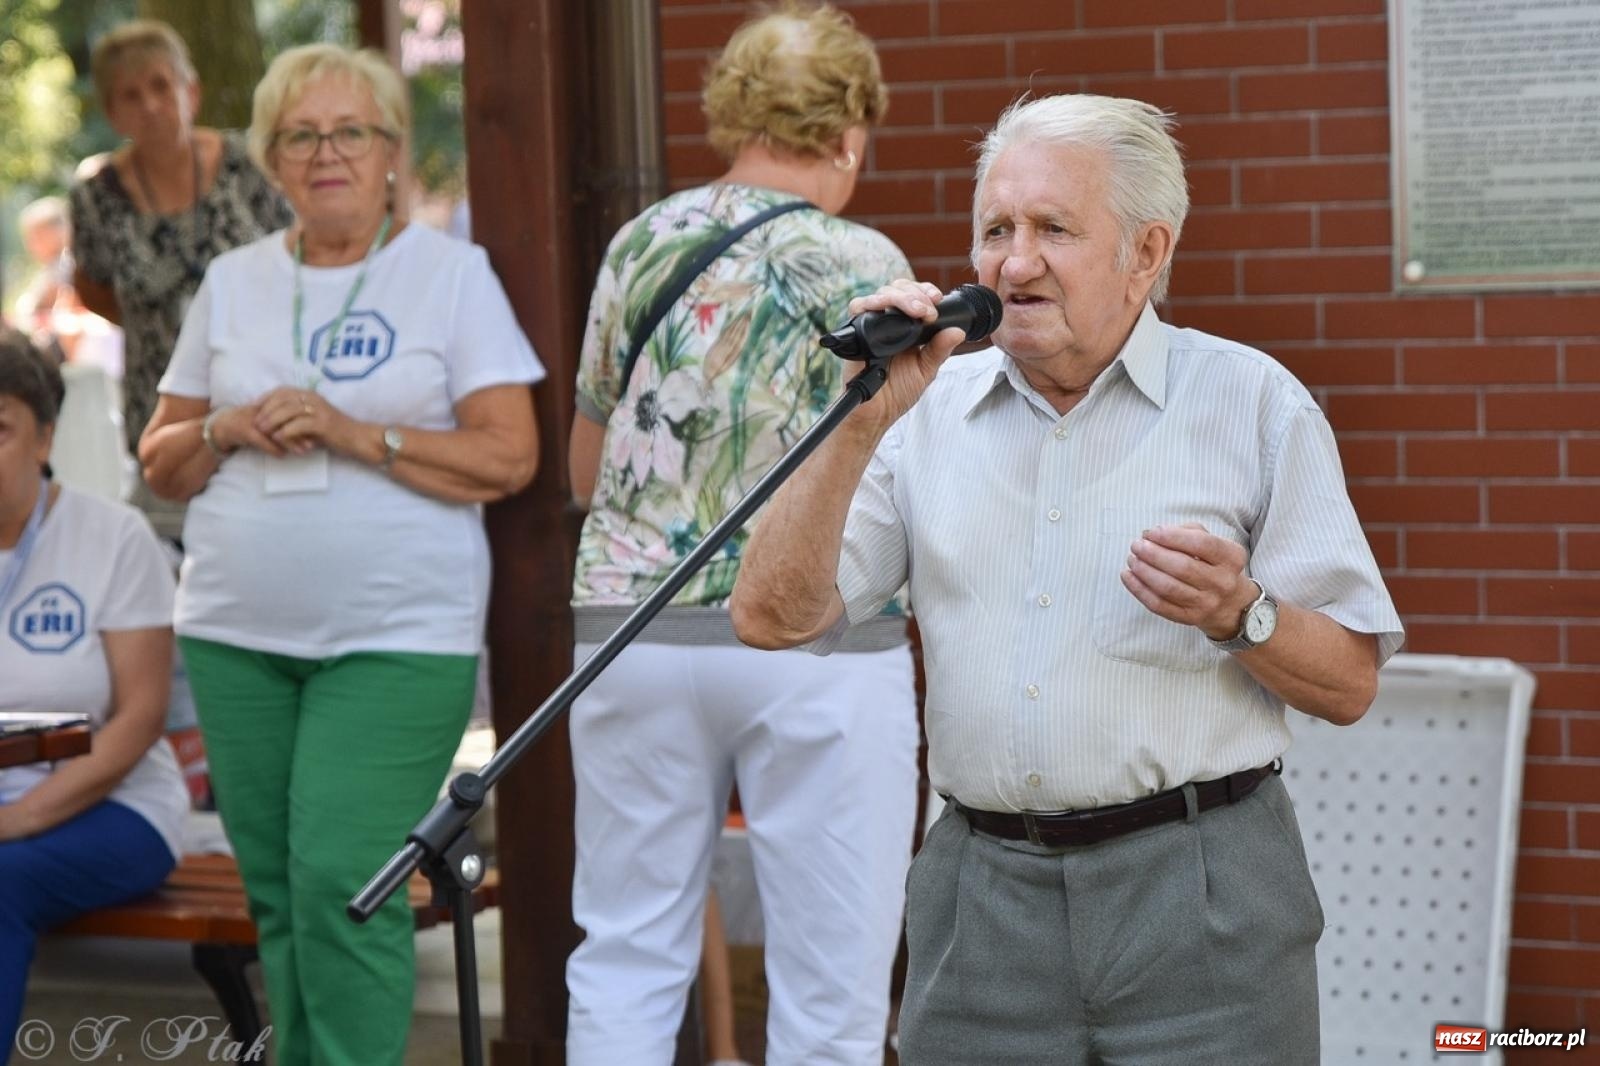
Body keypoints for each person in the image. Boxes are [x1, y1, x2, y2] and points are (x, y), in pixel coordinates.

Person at [731, 93, 1407, 1066]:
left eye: (1053, 229)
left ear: (1146, 252)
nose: (1014, 264)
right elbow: (771, 617)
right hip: (982, 906)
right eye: (995, 230)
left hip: (1201, 900)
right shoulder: (922, 412)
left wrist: (1239, 612)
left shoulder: (1254, 403)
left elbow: (1349, 684)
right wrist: (857, 423)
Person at [137, 43, 543, 1066]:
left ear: (392, 151)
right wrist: (226, 426)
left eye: (350, 132)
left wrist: (355, 433)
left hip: (395, 637)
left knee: (343, 881)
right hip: (234, 632)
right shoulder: (232, 281)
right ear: (271, 159)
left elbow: (510, 455)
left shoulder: (450, 276)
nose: (327, 154)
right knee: (278, 893)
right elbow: (162, 462)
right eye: (301, 135)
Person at [565, 6, 920, 1065]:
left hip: (630, 631)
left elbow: (587, 472)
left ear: (732, 112)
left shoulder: (640, 243)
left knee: (626, 954)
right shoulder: (864, 259)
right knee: (831, 985)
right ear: (850, 131)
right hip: (815, 643)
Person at [0, 329, 188, 1052]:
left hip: (113, 807)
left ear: (45, 438)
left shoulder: (113, 537)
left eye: (0, 428)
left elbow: (140, 718)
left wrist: (20, 818)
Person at [70, 19, 292, 542]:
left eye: (161, 85)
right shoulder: (95, 196)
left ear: (191, 91)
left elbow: (296, 255)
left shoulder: (248, 164)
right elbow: (93, 288)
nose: (150, 105)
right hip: (163, 416)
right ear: (112, 112)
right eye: (130, 95)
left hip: (263, 404)